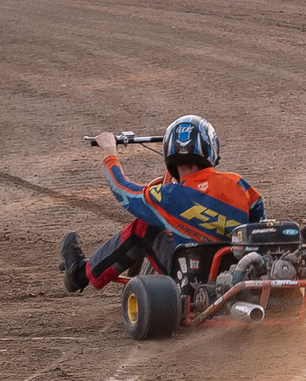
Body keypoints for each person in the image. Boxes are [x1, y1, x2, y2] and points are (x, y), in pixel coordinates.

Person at [61, 115, 261, 294]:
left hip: (189, 284)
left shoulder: (168, 196)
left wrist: (109, 152)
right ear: (211, 149)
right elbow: (259, 226)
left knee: (143, 228)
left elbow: (123, 192)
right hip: (241, 273)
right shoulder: (239, 184)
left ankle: (80, 274)